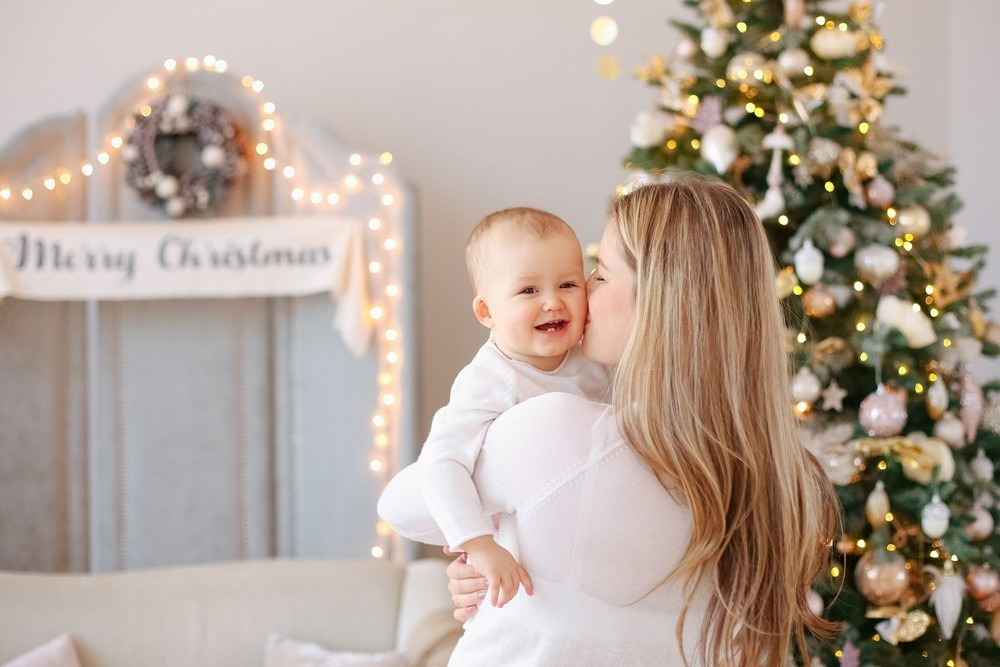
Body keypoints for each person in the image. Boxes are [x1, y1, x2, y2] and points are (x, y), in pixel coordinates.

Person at [379, 173, 839, 665]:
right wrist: (494, 541)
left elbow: (401, 505)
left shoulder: (559, 431)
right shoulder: (778, 476)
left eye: (598, 273)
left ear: (657, 299)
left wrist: (480, 541)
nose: (575, 294)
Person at [379, 206, 609, 609]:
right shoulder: (489, 379)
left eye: (568, 284)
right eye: (529, 291)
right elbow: (442, 463)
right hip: (511, 551)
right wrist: (479, 544)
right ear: (487, 312)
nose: (553, 302)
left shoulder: (593, 356)